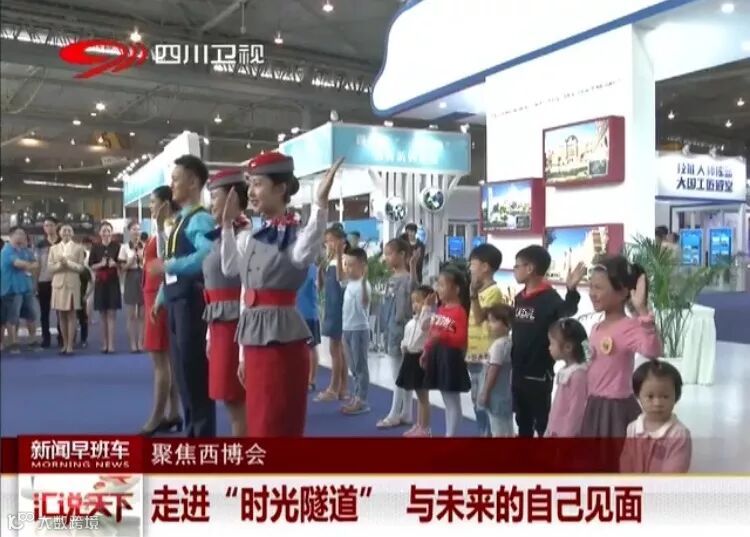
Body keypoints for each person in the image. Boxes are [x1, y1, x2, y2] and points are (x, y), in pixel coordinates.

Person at [221, 152, 343, 437]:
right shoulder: (252, 236)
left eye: (258, 184)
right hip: (254, 340)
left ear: (280, 188)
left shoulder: (294, 237)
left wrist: (320, 204)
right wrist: (226, 225)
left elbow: (306, 249)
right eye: (250, 185)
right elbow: (231, 271)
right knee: (258, 421)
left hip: (281, 342)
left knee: (275, 422)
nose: (251, 192)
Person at [150, 154, 216, 438]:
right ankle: (191, 433)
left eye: (176, 179)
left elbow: (207, 254)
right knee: (182, 372)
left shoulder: (200, 219)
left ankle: (202, 437)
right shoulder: (179, 220)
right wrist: (161, 297)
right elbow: (170, 260)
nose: (172, 185)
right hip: (176, 302)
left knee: (194, 373)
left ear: (193, 182)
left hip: (191, 303)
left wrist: (171, 266)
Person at [580, 255, 663, 438]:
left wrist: (642, 311)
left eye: (599, 288)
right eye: (591, 286)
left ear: (623, 292)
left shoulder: (630, 326)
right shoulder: (596, 328)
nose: (592, 293)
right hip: (593, 404)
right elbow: (590, 362)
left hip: (616, 408)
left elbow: (653, 351)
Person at [511, 245, 585, 438]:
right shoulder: (519, 298)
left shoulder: (549, 298)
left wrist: (571, 290)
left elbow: (567, 311)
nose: (514, 270)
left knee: (543, 422)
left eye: (517, 266)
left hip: (539, 373)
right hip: (518, 371)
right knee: (522, 421)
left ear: (530, 268)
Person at [203, 169, 249, 437]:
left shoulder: (244, 236)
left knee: (236, 399)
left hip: (235, 325)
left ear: (232, 198)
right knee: (230, 400)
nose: (211, 203)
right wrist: (209, 333)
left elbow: (242, 286)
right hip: (219, 323)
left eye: (215, 196)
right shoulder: (222, 234)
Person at [141, 186, 183, 436]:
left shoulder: (169, 227)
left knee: (160, 359)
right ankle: (173, 411)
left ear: (165, 203)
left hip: (160, 296)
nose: (150, 206)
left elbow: (166, 259)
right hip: (153, 294)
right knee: (166, 359)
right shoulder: (165, 226)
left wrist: (158, 227)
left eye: (153, 202)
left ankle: (157, 416)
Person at [419, 265, 471, 437]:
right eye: (438, 285)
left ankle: (451, 436)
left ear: (456, 289)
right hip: (439, 355)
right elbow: (431, 331)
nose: (438, 289)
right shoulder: (441, 309)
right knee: (447, 399)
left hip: (451, 358)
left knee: (452, 401)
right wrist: (426, 351)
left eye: (442, 285)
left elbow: (460, 338)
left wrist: (441, 337)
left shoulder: (459, 311)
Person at [620, 361, 691, 473]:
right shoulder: (632, 428)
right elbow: (626, 461)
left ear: (676, 397)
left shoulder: (679, 435)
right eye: (650, 396)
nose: (657, 403)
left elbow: (675, 471)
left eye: (665, 396)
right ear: (638, 395)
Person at [467, 243, 506, 437]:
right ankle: (482, 434)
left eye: (473, 264)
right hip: (474, 353)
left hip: (486, 355)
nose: (470, 268)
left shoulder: (494, 292)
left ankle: (487, 437)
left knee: (484, 401)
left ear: (485, 267)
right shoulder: (477, 290)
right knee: (476, 400)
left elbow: (480, 318)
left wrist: (473, 295)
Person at [377, 237, 417, 429]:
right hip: (391, 328)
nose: (386, 257)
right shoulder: (390, 278)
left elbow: (414, 290)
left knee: (398, 375)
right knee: (402, 372)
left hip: (402, 329)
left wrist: (413, 267)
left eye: (389, 253)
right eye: (385, 254)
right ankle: (406, 412)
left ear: (402, 254)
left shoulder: (408, 279)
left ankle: (394, 413)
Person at [314, 225, 349, 402]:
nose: (327, 244)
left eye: (330, 241)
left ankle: (335, 388)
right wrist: (320, 271)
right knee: (337, 349)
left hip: (339, 309)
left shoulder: (345, 260)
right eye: (326, 241)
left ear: (340, 242)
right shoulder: (330, 262)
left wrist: (340, 254)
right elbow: (320, 287)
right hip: (330, 307)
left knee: (336, 349)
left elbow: (343, 281)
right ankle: (341, 388)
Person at [398, 285, 434, 437]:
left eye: (419, 301)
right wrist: (403, 346)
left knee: (423, 397)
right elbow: (407, 339)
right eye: (413, 301)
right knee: (419, 396)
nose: (415, 305)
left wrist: (427, 307)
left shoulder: (428, 320)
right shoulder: (411, 322)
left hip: (421, 359)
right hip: (410, 358)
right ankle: (419, 424)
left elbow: (424, 327)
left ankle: (425, 428)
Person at [340, 247, 372, 415]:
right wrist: (339, 254)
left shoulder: (364, 285)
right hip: (347, 328)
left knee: (360, 366)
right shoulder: (349, 283)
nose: (348, 268)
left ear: (362, 266)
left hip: (359, 330)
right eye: (346, 264)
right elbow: (339, 277)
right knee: (353, 366)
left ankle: (362, 400)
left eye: (351, 265)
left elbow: (365, 303)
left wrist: (365, 280)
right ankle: (356, 395)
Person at [545, 318, 589, 437]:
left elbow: (576, 411)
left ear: (568, 347)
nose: (549, 347)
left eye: (552, 343)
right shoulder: (566, 370)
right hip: (556, 430)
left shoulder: (578, 375)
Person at [478, 304, 515, 437]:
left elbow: (493, 370)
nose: (489, 325)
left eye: (493, 321)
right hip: (505, 394)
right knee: (507, 426)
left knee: (498, 428)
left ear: (507, 324)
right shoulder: (509, 342)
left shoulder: (499, 345)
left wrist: (485, 393)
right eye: (489, 321)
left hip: (496, 395)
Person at [48, 224, 86, 355]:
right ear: (59, 233)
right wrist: (60, 264)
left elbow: (81, 268)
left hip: (72, 284)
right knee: (61, 315)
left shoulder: (78, 248)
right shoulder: (53, 249)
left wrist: (68, 263)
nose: (66, 233)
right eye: (64, 231)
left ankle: (70, 345)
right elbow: (50, 268)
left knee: (71, 315)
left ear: (73, 233)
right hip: (58, 285)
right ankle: (64, 344)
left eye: (69, 230)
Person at [1, 227, 39, 354]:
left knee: (31, 315)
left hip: (26, 288)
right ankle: (13, 342)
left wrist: (29, 265)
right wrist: (29, 265)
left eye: (23, 234)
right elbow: (18, 263)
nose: (22, 236)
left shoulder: (25, 251)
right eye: (19, 234)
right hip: (12, 289)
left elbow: (36, 264)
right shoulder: (6, 250)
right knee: (13, 317)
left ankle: (32, 340)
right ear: (11, 236)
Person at [88, 221, 123, 353]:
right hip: (100, 282)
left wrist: (116, 264)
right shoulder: (95, 247)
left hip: (113, 282)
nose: (106, 233)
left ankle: (111, 344)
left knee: (112, 314)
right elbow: (91, 265)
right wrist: (101, 264)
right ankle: (104, 343)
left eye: (108, 230)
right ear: (99, 233)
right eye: (104, 230)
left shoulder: (117, 246)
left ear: (111, 232)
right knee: (102, 314)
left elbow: (122, 264)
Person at [35, 217, 60, 348]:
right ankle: (46, 338)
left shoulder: (62, 242)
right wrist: (35, 282)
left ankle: (63, 337)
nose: (48, 228)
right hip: (44, 281)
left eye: (51, 225)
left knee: (61, 311)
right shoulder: (40, 245)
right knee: (44, 312)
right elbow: (37, 265)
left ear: (56, 226)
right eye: (46, 226)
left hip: (60, 281)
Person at [297, 263, 321, 392]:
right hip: (297, 312)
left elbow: (310, 287)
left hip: (308, 314)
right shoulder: (297, 266)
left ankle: (311, 380)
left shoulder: (311, 268)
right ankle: (303, 378)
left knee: (311, 346)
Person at [123, 220, 145, 353]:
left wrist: (142, 259)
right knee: (131, 314)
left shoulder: (145, 245)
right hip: (130, 277)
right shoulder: (124, 247)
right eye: (134, 229)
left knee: (142, 314)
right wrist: (131, 261)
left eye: (138, 229)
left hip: (143, 276)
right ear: (129, 231)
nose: (136, 232)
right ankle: (132, 343)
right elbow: (121, 268)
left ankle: (141, 342)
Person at [77, 236, 94, 348]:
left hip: (81, 297)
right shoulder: (71, 268)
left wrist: (87, 295)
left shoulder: (85, 270)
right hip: (70, 296)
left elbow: (92, 283)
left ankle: (83, 339)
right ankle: (69, 339)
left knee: (83, 319)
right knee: (70, 318)